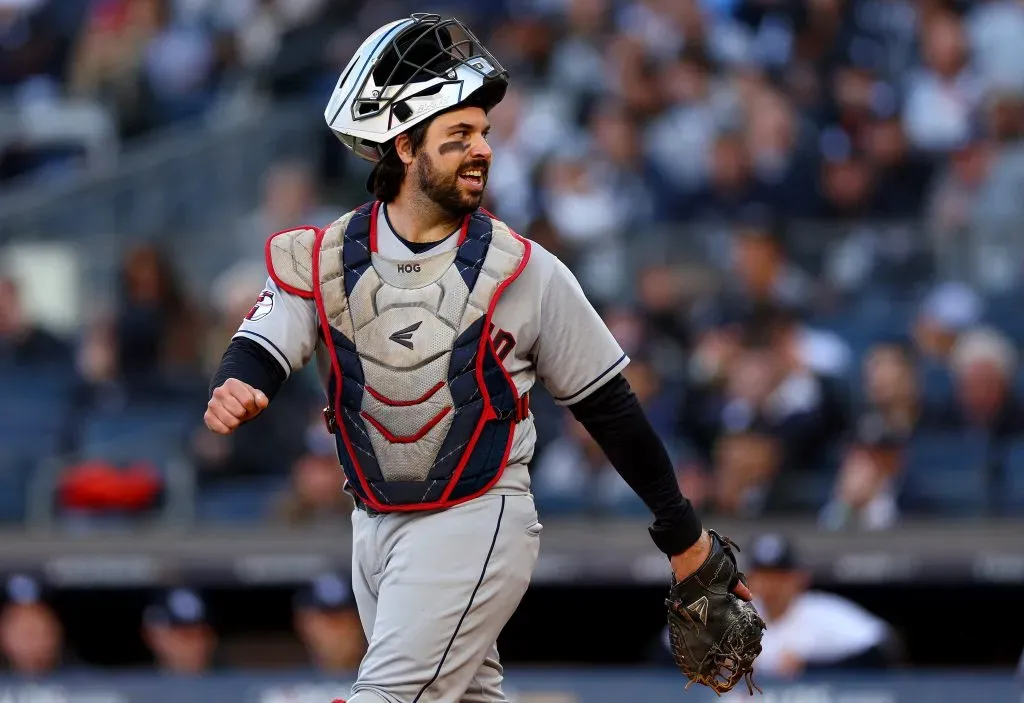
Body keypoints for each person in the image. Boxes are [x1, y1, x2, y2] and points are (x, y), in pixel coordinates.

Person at [205, 12, 753, 703]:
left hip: (477, 514)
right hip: (374, 525)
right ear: (404, 146)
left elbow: (608, 406)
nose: (482, 148)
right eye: (458, 135)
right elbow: (267, 335)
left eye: (485, 133)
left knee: (387, 695)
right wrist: (238, 381)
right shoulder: (322, 256)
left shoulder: (523, 268)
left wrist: (683, 534)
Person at [293, 572, 366, 672]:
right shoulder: (285, 682)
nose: (339, 631)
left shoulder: (389, 679)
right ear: (304, 624)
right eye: (329, 620)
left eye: (348, 619)